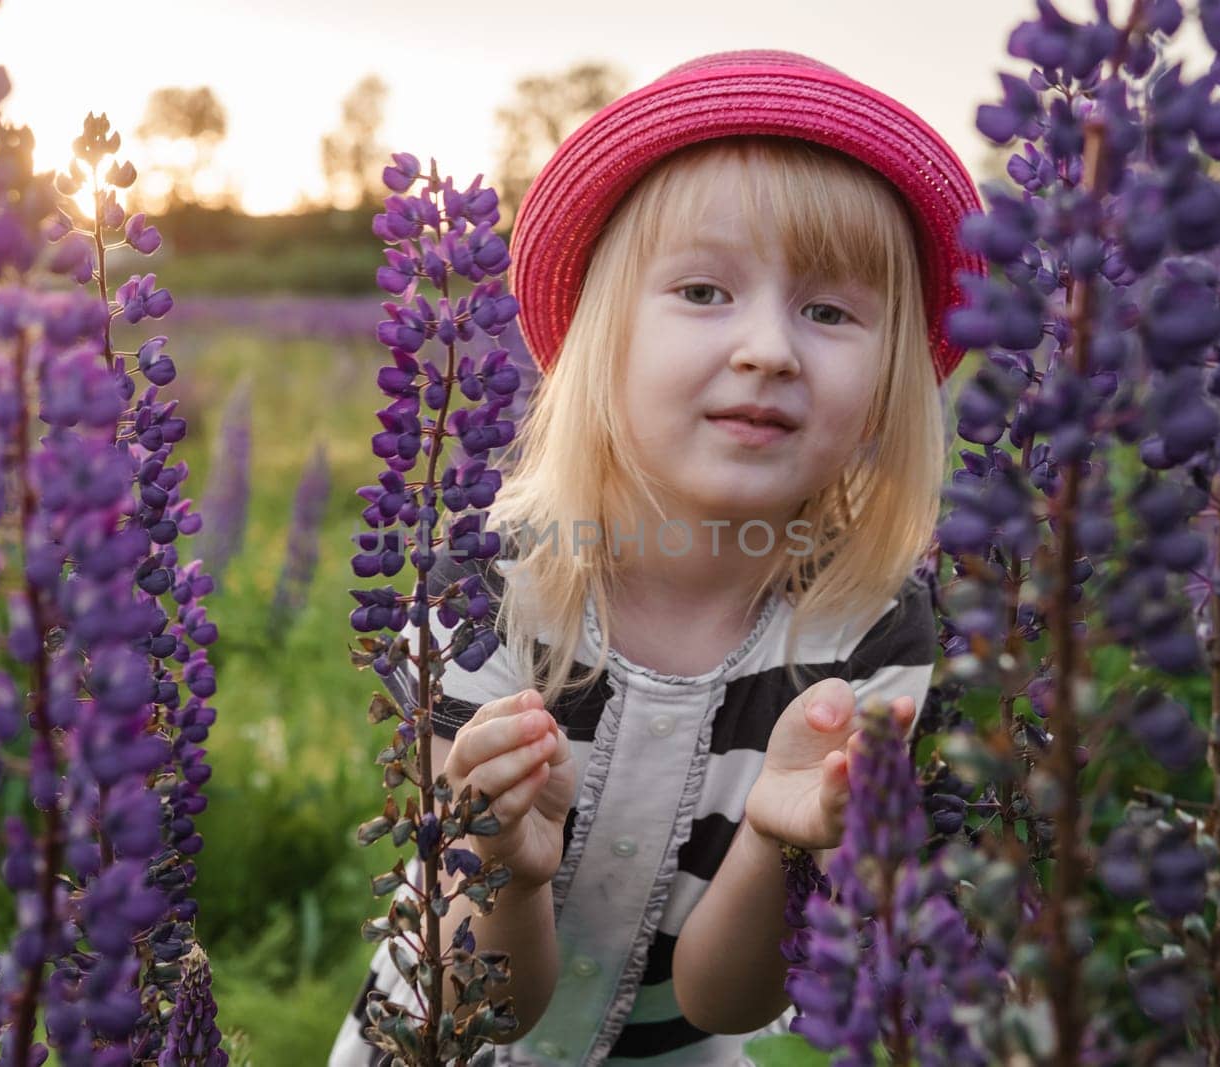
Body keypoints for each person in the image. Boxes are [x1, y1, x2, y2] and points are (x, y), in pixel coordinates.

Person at [329, 47, 984, 1067]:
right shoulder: (486, 584)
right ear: (604, 338)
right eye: (702, 290)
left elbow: (724, 997)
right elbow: (481, 1007)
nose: (768, 347)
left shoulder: (874, 628)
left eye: (828, 311)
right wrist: (503, 857)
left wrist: (779, 837)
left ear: (889, 384)